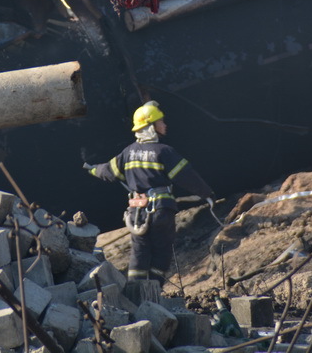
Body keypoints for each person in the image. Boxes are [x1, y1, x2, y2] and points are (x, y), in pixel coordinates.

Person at [85, 101, 215, 285]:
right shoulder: (165, 152)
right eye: (160, 121)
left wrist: (91, 169)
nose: (165, 125)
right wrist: (207, 193)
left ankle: (136, 291)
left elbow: (108, 171)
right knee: (161, 252)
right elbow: (187, 176)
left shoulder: (128, 152)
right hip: (160, 211)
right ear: (150, 127)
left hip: (136, 214)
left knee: (139, 253)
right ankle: (154, 290)